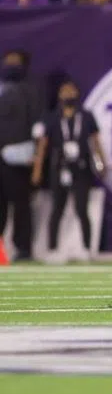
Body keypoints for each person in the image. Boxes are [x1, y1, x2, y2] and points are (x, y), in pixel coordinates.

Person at [31, 80, 106, 263]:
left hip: (81, 167)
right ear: (59, 95)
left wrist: (102, 162)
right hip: (60, 167)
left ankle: (87, 248)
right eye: (64, 91)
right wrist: (38, 169)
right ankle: (52, 249)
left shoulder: (86, 116)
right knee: (57, 208)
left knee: (82, 208)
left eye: (71, 91)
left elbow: (95, 140)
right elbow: (43, 145)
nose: (68, 95)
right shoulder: (52, 117)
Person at [0, 50, 43, 261]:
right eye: (7, 61)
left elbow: (38, 128)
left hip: (18, 157)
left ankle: (23, 249)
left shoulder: (31, 91)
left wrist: (35, 159)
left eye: (15, 62)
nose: (10, 65)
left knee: (21, 206)